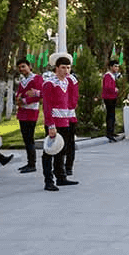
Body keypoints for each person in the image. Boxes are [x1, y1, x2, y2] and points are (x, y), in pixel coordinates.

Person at [40, 53, 80, 192]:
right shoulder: (50, 83)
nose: (66, 70)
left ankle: (61, 177)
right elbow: (47, 106)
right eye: (63, 67)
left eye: (68, 67)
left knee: (61, 151)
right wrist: (50, 125)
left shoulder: (68, 82)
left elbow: (71, 101)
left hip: (65, 121)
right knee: (49, 151)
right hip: (54, 122)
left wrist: (70, 119)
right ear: (56, 68)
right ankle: (48, 181)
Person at [14, 58, 43, 173]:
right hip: (22, 111)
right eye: (20, 67)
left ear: (29, 66)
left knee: (29, 138)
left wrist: (25, 100)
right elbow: (19, 92)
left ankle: (32, 164)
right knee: (25, 138)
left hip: (31, 110)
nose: (22, 69)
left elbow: (38, 94)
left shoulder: (37, 78)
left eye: (23, 66)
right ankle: (29, 162)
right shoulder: (22, 80)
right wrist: (18, 99)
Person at [101, 60, 123, 142]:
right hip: (109, 97)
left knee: (112, 115)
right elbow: (107, 87)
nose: (117, 68)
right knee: (110, 115)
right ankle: (109, 133)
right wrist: (114, 89)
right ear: (111, 67)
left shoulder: (112, 76)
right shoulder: (108, 75)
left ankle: (112, 131)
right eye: (115, 66)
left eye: (117, 66)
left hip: (112, 97)